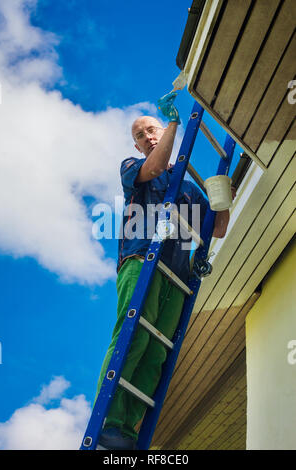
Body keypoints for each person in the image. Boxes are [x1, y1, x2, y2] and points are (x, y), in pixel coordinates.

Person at [95, 92, 232, 450]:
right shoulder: (133, 169)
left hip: (177, 277)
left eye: (150, 129)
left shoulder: (187, 190)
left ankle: (125, 430)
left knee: (156, 352)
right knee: (134, 336)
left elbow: (215, 229)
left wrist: (222, 197)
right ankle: (110, 418)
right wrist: (173, 123)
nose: (146, 137)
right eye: (140, 135)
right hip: (141, 260)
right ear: (136, 145)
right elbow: (156, 166)